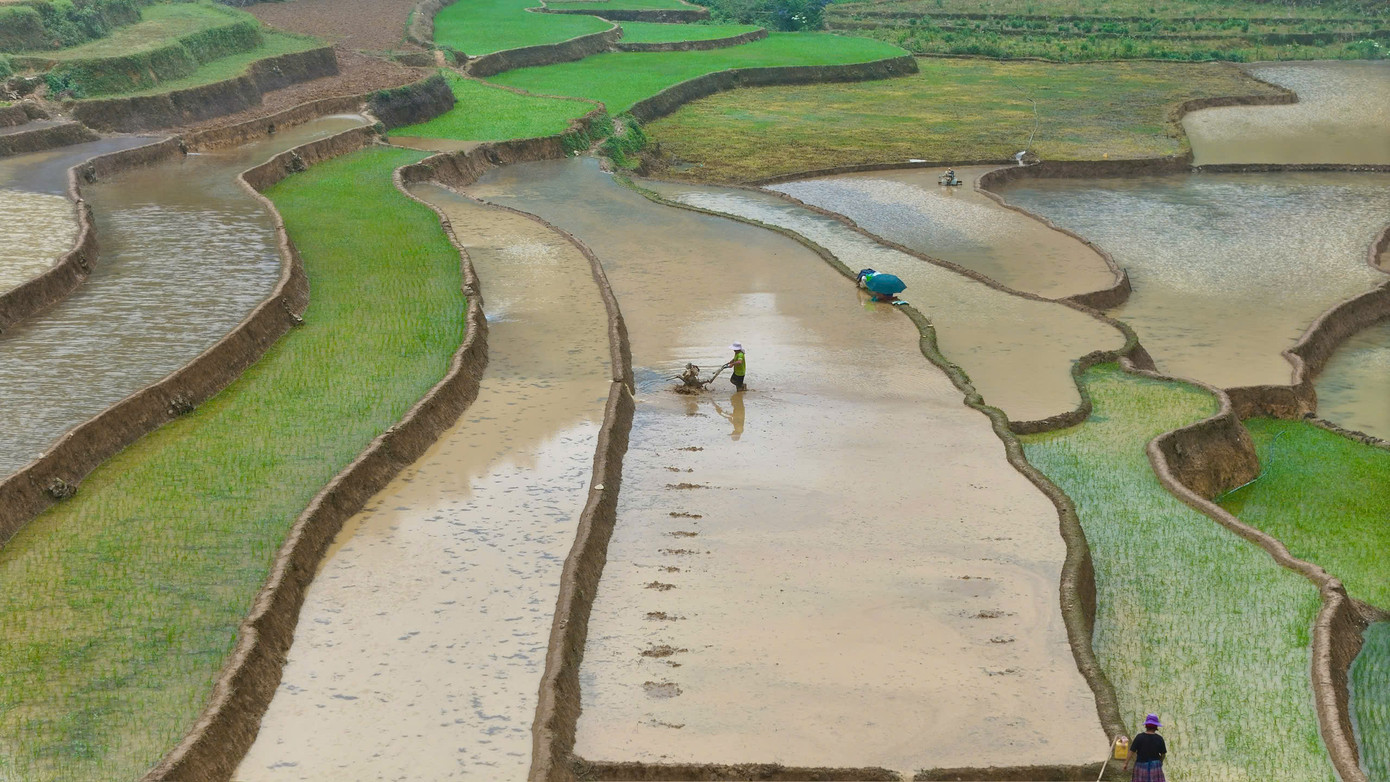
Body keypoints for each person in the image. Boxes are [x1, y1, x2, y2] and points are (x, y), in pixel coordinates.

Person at [1123, 714, 1168, 782]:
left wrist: (1126, 763)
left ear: (1146, 726)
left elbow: (1131, 751)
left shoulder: (1139, 737)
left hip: (1141, 765)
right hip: (1155, 765)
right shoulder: (1159, 739)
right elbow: (1163, 754)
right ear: (1156, 727)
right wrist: (1160, 762)